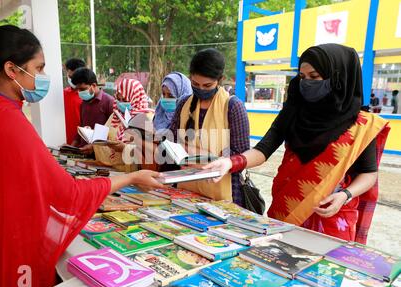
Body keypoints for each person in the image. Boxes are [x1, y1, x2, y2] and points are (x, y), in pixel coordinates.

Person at [0, 25, 163, 287]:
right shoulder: (8, 118)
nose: (42, 77)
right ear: (11, 69)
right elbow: (68, 193)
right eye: (38, 68)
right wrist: (132, 179)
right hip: (9, 237)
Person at [204, 44, 390, 244]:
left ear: (338, 77)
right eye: (302, 77)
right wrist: (231, 163)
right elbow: (263, 149)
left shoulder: (361, 125)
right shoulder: (294, 110)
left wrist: (345, 195)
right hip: (286, 210)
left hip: (332, 218)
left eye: (314, 76)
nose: (306, 83)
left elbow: (368, 174)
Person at [167, 48, 250, 206]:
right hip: (186, 188)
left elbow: (242, 153)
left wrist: (205, 157)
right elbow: (171, 137)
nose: (201, 89)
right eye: (195, 84)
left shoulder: (233, 106)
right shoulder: (184, 103)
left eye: (207, 85)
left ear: (220, 79)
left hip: (223, 190)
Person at [93, 78, 154, 170]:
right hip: (112, 170)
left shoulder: (147, 118)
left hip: (135, 174)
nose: (121, 103)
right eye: (119, 99)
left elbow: (149, 151)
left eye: (125, 100)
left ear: (135, 98)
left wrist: (124, 148)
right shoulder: (115, 116)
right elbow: (104, 135)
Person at [70, 67, 114, 154]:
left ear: (93, 85)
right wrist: (70, 147)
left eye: (82, 89)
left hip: (102, 154)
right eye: (78, 89)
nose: (79, 92)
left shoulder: (109, 102)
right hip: (84, 152)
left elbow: (113, 133)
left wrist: (94, 147)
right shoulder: (83, 103)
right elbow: (81, 128)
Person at [63, 58, 85, 144]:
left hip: (83, 143)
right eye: (69, 76)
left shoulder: (87, 95)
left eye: (73, 77)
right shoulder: (64, 94)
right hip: (66, 143)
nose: (72, 80)